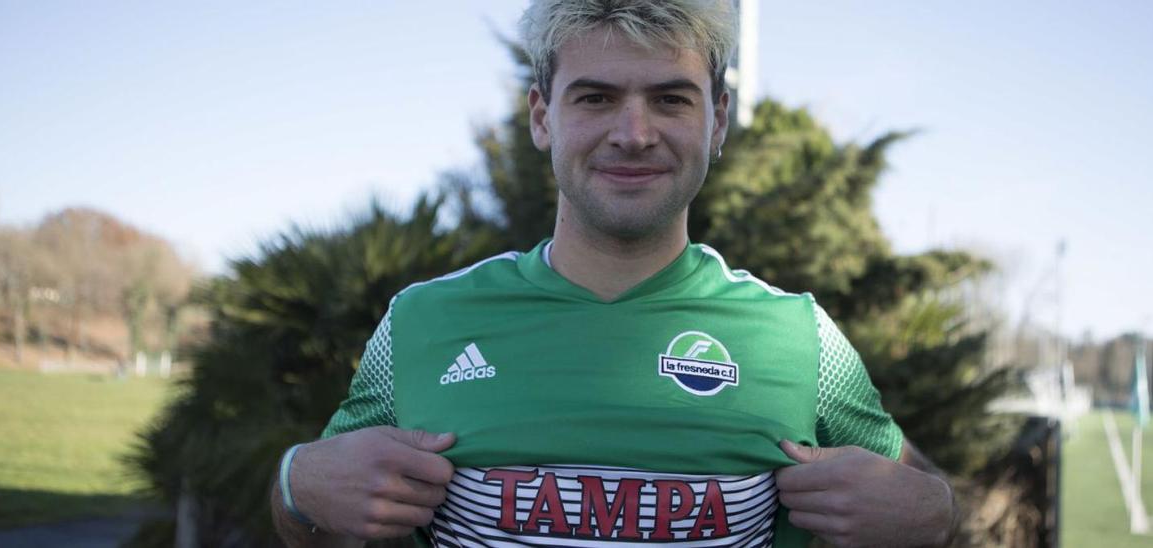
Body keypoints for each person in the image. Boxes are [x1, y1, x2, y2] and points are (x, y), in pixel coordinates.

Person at [271, 1, 956, 546]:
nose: (634, 132)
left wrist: (933, 512)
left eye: (671, 99)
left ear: (717, 121)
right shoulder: (421, 323)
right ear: (543, 117)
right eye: (595, 98)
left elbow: (919, 497)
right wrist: (296, 486)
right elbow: (318, 522)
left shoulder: (799, 337)